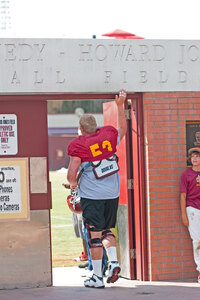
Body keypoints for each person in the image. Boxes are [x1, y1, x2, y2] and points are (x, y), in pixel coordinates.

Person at [67, 90, 127, 288]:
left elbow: (71, 174)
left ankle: (97, 278)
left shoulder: (80, 145)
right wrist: (120, 106)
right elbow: (122, 129)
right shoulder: (108, 137)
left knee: (94, 236)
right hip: (112, 193)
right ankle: (115, 263)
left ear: (81, 129)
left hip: (92, 196)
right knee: (107, 231)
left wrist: (73, 185)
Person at [180, 146, 200, 284]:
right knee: (197, 240)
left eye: (197, 156)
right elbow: (182, 196)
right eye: (192, 156)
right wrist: (183, 215)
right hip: (192, 209)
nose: (194, 159)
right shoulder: (186, 175)